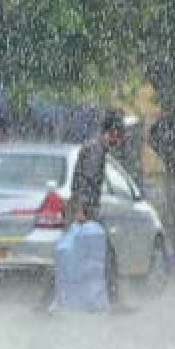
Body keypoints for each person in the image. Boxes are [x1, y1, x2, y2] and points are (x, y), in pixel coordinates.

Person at [54, 107, 136, 315]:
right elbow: (84, 182)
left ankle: (50, 302)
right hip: (84, 213)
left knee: (70, 255)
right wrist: (81, 211)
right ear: (114, 133)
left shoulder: (95, 148)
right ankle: (114, 302)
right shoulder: (96, 151)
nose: (121, 139)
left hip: (83, 212)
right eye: (120, 134)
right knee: (104, 257)